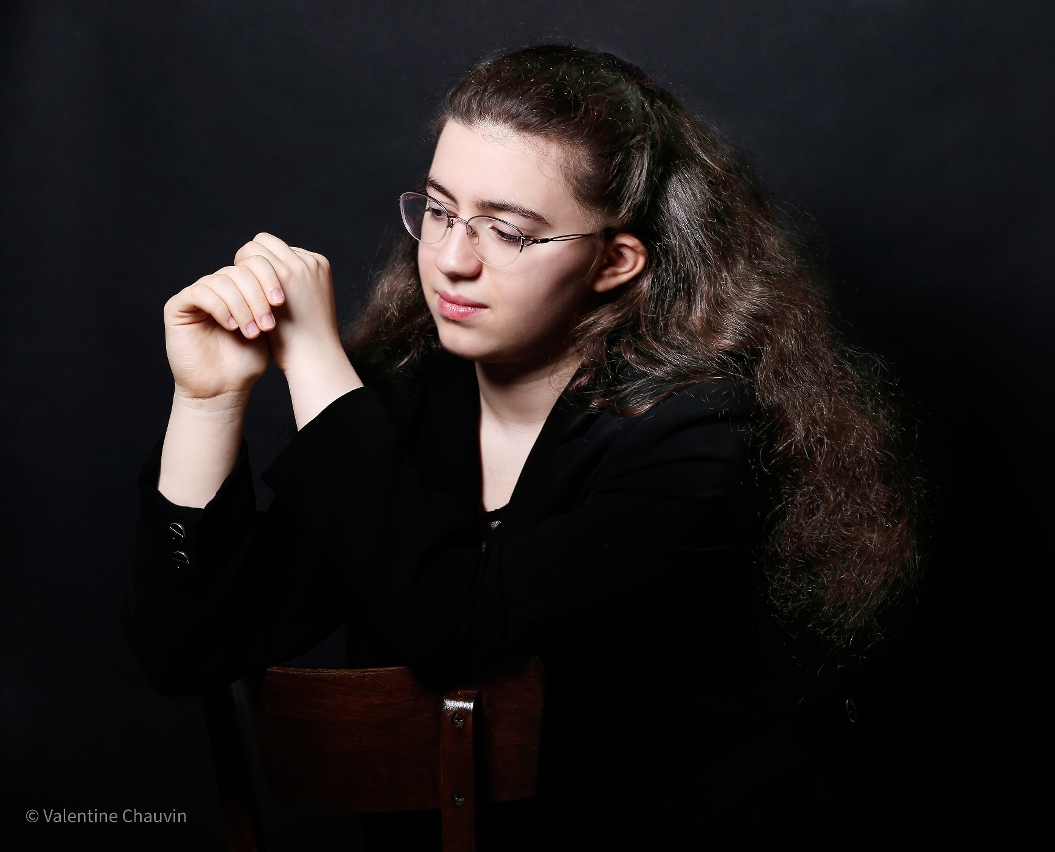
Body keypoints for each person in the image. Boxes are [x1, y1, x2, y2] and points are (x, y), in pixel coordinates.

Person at [124, 44, 918, 848]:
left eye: (505, 231)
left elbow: (458, 625)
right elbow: (186, 652)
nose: (450, 261)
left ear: (613, 261)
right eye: (440, 212)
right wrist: (207, 400)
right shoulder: (399, 403)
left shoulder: (697, 434)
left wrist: (314, 359)